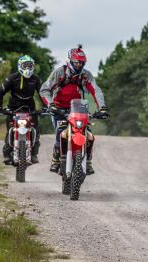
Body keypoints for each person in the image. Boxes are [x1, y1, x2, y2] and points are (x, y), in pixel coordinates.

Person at [40, 45, 109, 174]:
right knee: (60, 132)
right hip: (58, 109)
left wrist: (102, 108)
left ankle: (87, 162)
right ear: (70, 61)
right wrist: (50, 105)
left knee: (88, 134)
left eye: (81, 63)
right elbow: (44, 89)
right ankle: (56, 159)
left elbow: (96, 90)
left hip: (78, 108)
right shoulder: (60, 72)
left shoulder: (85, 75)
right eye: (76, 62)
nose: (79, 65)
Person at [0, 55, 44, 164]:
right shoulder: (12, 78)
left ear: (33, 67)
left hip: (30, 108)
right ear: (19, 66)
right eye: (25, 65)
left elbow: (43, 94)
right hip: (13, 108)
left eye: (30, 66)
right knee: (9, 130)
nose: (27, 68)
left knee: (35, 128)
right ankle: (7, 154)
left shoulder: (36, 79)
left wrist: (46, 107)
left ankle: (34, 154)